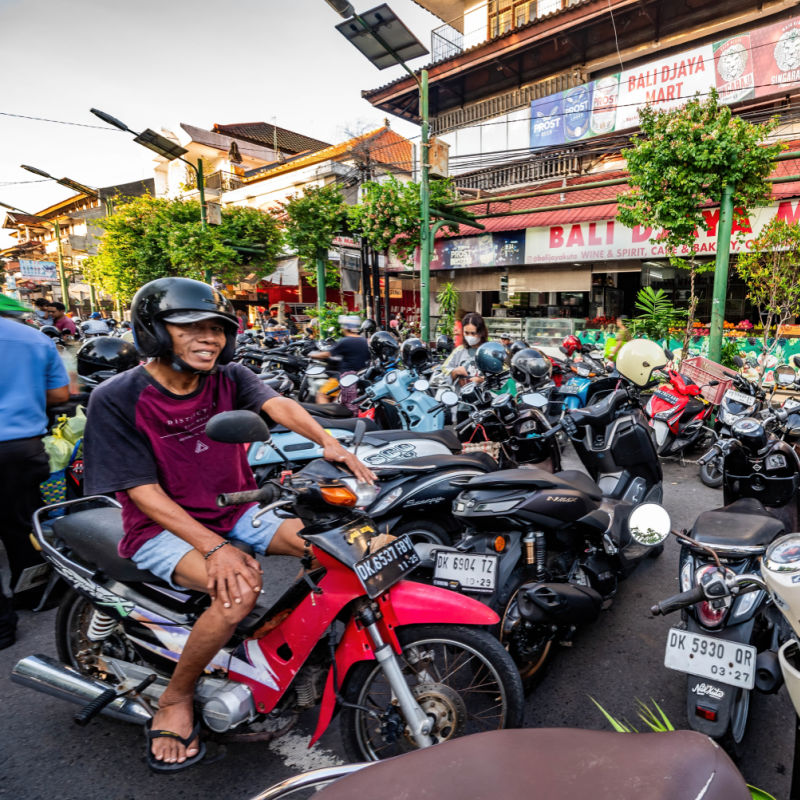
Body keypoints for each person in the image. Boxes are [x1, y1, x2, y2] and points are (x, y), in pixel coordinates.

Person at [82, 278, 374, 772]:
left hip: (235, 508)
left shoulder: (228, 376)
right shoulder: (118, 396)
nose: (209, 337)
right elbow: (141, 493)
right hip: (161, 529)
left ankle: (273, 651)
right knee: (239, 588)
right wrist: (215, 549)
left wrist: (329, 441)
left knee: (333, 547)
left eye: (217, 327)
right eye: (190, 327)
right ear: (155, 332)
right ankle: (176, 697)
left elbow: (276, 405)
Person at [0, 293, 69, 649]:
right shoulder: (34, 337)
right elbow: (60, 395)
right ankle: (32, 594)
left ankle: (1, 627)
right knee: (23, 526)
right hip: (24, 448)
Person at [309, 315, 370, 404]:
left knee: (321, 395)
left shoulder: (345, 341)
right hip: (360, 377)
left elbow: (327, 354)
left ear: (346, 328)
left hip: (344, 377)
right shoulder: (364, 341)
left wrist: (312, 355)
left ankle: (328, 416)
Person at [439, 311, 489, 387]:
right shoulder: (459, 351)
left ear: (481, 332)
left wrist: (481, 379)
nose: (469, 336)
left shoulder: (489, 351)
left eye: (473, 333)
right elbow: (444, 372)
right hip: (460, 396)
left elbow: (501, 377)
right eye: (466, 333)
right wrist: (455, 372)